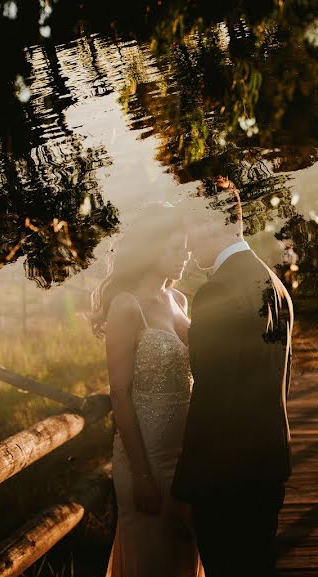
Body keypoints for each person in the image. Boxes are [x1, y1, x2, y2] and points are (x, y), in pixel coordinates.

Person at [171, 179, 294, 577]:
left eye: (192, 227)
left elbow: (209, 393)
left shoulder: (218, 291)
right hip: (269, 461)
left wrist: (187, 486)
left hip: (226, 477)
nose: (188, 244)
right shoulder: (275, 285)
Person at [92, 205, 204, 577]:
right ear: (153, 248)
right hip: (147, 460)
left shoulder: (180, 301)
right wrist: (141, 475)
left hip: (186, 457)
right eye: (176, 248)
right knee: (153, 563)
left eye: (186, 249)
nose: (184, 257)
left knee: (184, 562)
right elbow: (120, 394)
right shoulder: (127, 307)